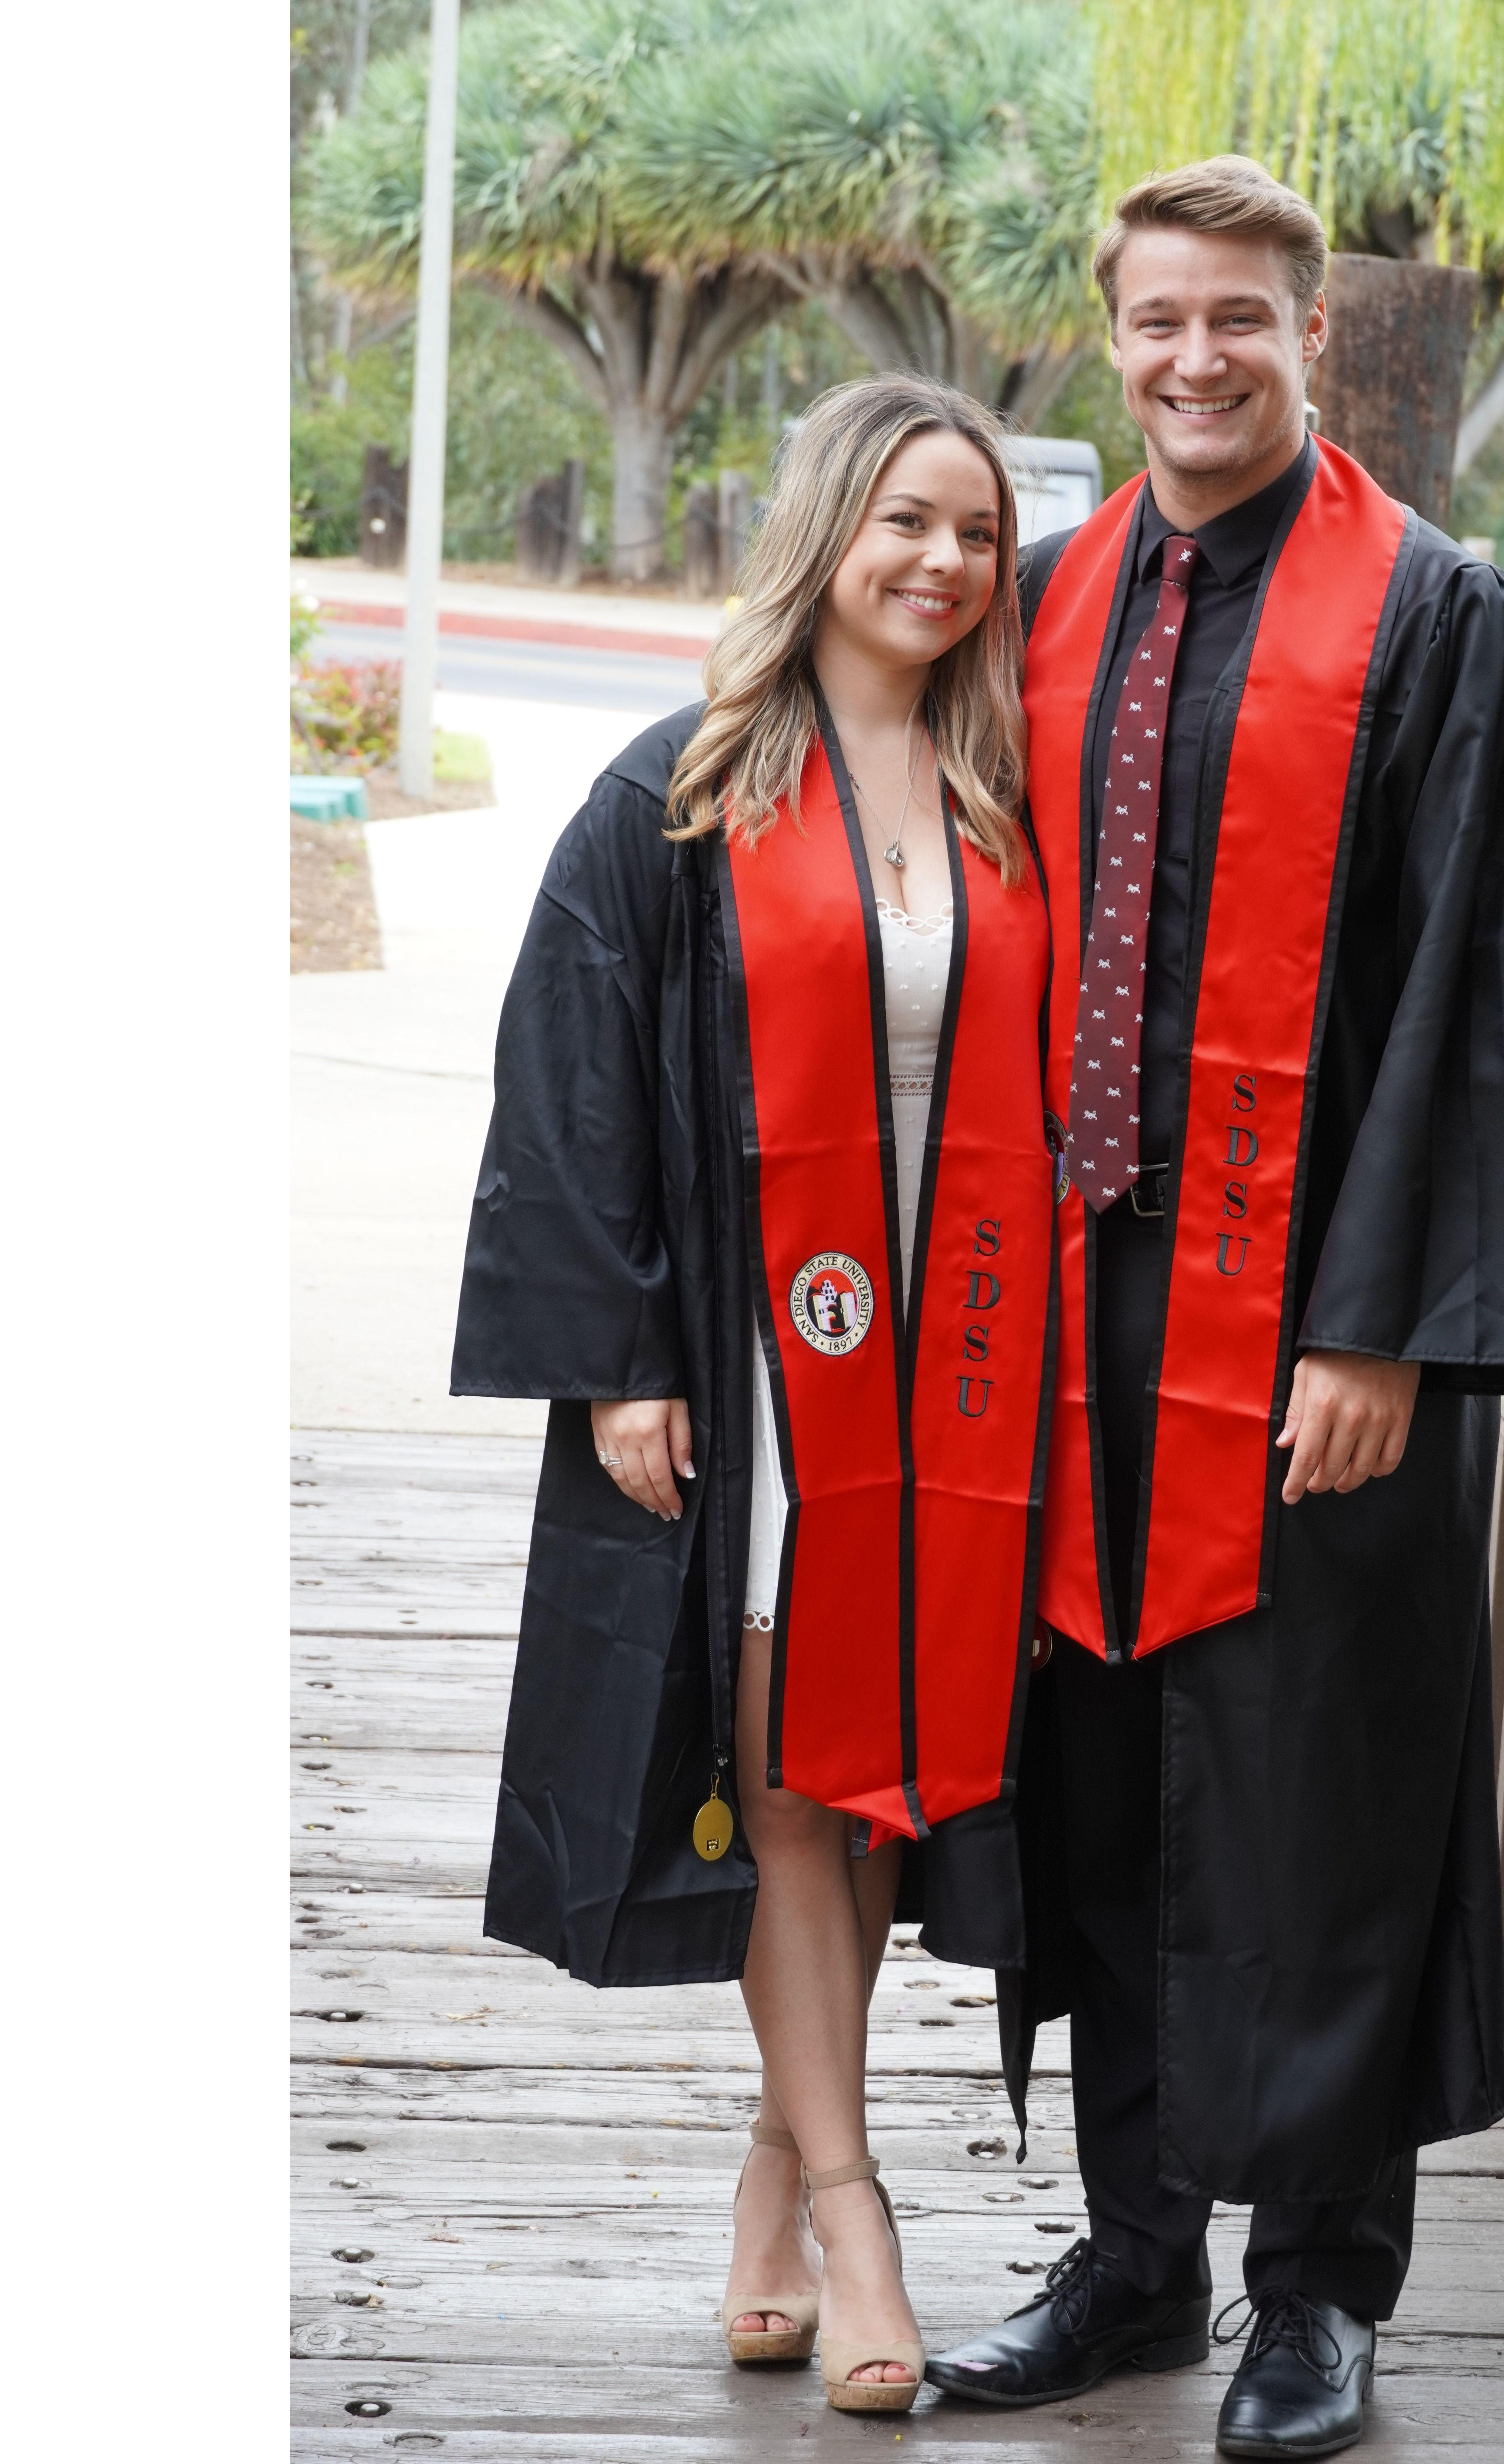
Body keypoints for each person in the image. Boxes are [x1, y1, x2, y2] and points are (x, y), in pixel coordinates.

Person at [921, 159, 1504, 2459]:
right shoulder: (1028, 607)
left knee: (1320, 1792)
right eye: (1156, 324)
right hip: (1067, 1332)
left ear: (1313, 339)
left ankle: (1316, 2294)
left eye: (1241, 320)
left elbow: (1486, 993)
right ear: (1106, 339)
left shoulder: (1438, 620)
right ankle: (1136, 2263)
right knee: (1104, 1783)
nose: (1196, 359)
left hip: (1320, 1325)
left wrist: (1384, 1328)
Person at [448, 376, 1056, 2417]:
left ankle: (771, 2180)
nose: (942, 564)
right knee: (797, 1764)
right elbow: (576, 1089)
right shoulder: (683, 793)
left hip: (959, 1381)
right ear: (825, 533)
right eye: (904, 522)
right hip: (764, 1371)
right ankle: (864, 2204)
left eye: (974, 532)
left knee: (883, 1781)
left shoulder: (1004, 793)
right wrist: (621, 1358)